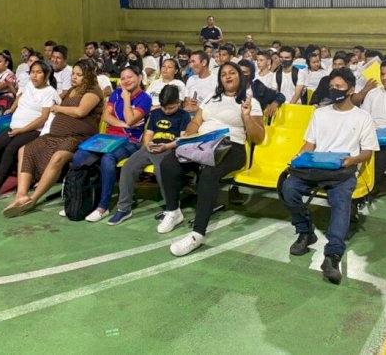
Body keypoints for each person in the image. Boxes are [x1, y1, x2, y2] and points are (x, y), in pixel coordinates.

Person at [280, 67, 379, 285]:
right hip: (315, 168)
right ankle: (305, 232)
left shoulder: (363, 118)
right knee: (289, 188)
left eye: (339, 87)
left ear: (351, 90)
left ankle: (333, 255)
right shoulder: (320, 113)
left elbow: (367, 152)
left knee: (340, 202)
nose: (334, 91)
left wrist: (351, 160)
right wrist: (297, 158)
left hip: (342, 171)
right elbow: (310, 144)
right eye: (332, 87)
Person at [159, 63, 264, 256]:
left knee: (209, 171)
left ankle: (197, 233)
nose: (228, 76)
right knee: (168, 162)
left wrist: (247, 117)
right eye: (223, 74)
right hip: (203, 143)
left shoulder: (250, 102)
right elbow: (196, 122)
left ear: (240, 77)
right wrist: (189, 137)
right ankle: (174, 211)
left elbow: (258, 137)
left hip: (232, 147)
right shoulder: (211, 98)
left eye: (232, 73)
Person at [2, 60, 103, 217]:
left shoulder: (93, 91)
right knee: (26, 149)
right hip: (56, 135)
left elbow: (80, 112)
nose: (74, 77)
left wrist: (57, 108)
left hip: (78, 138)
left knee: (58, 157)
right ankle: (21, 194)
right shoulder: (72, 90)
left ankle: (33, 199)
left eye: (79, 75)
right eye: (73, 74)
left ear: (88, 76)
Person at [69, 65, 151, 222]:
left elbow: (131, 119)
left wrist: (127, 100)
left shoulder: (144, 98)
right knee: (80, 156)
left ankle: (103, 206)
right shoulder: (116, 94)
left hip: (131, 140)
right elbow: (106, 116)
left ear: (139, 78)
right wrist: (124, 125)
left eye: (130, 77)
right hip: (109, 137)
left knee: (108, 158)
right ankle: (80, 200)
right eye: (123, 78)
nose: (126, 81)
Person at [0, 60, 60, 205]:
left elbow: (43, 118)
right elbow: (19, 99)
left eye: (39, 72)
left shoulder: (49, 92)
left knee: (11, 149)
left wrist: (22, 130)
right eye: (32, 72)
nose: (34, 76)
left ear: (46, 75)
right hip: (15, 127)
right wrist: (11, 111)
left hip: (34, 130)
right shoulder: (28, 86)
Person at [108, 85, 189, 225]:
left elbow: (182, 139)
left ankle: (172, 208)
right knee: (128, 168)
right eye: (164, 107)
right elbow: (149, 133)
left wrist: (166, 146)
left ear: (178, 103)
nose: (166, 111)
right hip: (151, 147)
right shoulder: (156, 113)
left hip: (169, 149)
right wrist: (148, 144)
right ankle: (124, 208)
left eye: (170, 108)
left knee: (161, 170)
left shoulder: (184, 115)